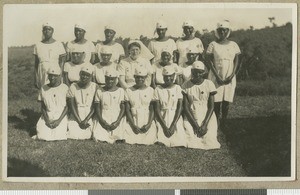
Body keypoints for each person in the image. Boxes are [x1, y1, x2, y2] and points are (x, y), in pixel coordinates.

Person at [206, 20, 241, 130]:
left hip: (229, 75)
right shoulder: (213, 44)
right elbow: (209, 61)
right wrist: (217, 76)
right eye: (221, 30)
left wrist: (232, 75)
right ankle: (216, 122)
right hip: (216, 75)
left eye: (225, 30)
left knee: (226, 100)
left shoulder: (233, 44)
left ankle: (224, 121)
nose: (223, 32)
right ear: (217, 31)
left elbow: (237, 60)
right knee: (216, 100)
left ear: (228, 31)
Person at [182, 61, 220, 150]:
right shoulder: (185, 85)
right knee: (191, 138)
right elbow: (186, 107)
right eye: (195, 72)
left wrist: (204, 124)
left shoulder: (209, 84)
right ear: (191, 72)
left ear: (203, 72)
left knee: (210, 140)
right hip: (191, 115)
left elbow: (211, 106)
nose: (197, 74)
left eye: (200, 72)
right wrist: (195, 125)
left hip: (207, 114)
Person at [153, 66, 186, 147]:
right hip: (162, 116)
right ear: (163, 77)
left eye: (170, 76)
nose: (168, 78)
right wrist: (164, 126)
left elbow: (180, 107)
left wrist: (174, 124)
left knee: (179, 138)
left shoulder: (178, 88)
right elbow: (157, 109)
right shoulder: (158, 89)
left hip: (175, 116)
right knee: (162, 137)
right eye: (166, 76)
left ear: (174, 76)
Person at [123, 68, 157, 145]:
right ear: (134, 77)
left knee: (149, 139)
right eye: (137, 77)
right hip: (133, 119)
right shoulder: (128, 90)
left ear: (145, 78)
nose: (140, 79)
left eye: (142, 77)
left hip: (147, 119)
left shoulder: (151, 90)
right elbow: (127, 110)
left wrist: (148, 124)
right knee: (129, 138)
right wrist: (133, 125)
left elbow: (152, 109)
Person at [35, 66, 68, 141]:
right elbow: (43, 106)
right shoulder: (43, 88)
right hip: (47, 115)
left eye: (55, 75)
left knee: (59, 136)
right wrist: (47, 120)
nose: (52, 78)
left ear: (59, 76)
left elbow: (67, 107)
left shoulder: (65, 88)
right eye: (50, 75)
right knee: (42, 136)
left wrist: (59, 120)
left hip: (61, 116)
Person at [93, 69, 126, 143]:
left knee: (119, 137)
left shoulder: (121, 91)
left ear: (116, 79)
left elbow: (123, 108)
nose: (110, 81)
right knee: (99, 136)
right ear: (105, 79)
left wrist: (117, 121)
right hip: (104, 115)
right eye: (108, 79)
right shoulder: (99, 90)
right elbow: (97, 107)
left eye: (112, 79)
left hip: (117, 116)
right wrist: (102, 121)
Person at [67, 64, 97, 140]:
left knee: (88, 134)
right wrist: (79, 121)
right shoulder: (73, 86)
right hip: (76, 115)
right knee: (73, 134)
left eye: (87, 75)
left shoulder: (95, 86)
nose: (85, 77)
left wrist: (86, 120)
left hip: (89, 115)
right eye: (83, 74)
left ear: (91, 76)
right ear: (80, 74)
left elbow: (95, 106)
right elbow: (72, 106)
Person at [33, 22, 66, 89]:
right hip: (42, 73)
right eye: (45, 30)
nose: (47, 31)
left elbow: (62, 62)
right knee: (44, 93)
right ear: (42, 31)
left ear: (52, 31)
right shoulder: (38, 45)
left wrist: (60, 75)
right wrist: (36, 78)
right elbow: (36, 64)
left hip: (55, 73)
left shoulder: (59, 44)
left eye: (49, 29)